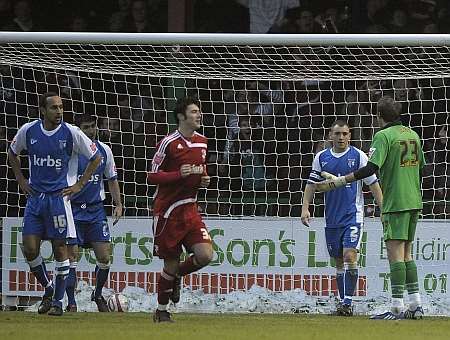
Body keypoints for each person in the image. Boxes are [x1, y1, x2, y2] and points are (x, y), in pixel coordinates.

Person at [319, 96, 426, 320]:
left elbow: (371, 169)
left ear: (379, 116)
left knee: (395, 254)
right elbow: (422, 167)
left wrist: (342, 180)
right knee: (407, 253)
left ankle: (397, 308)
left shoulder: (383, 135)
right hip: (414, 200)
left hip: (395, 202)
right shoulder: (413, 134)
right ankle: (415, 304)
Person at [8, 92, 102, 316]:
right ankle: (49, 289)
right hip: (35, 200)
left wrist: (79, 184)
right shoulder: (28, 130)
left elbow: (96, 157)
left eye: (61, 107)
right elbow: (12, 153)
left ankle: (58, 302)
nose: (59, 111)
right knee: (30, 249)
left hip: (58, 200)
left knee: (61, 249)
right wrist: (21, 179)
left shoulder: (71, 132)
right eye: (54, 108)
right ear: (43, 110)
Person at [301, 120, 383, 316]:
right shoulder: (321, 157)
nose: (341, 138)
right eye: (337, 134)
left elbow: (373, 183)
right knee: (338, 261)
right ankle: (342, 300)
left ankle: (348, 302)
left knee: (349, 256)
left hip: (353, 215)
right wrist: (305, 208)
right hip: (332, 218)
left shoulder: (359, 156)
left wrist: (384, 210)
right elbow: (311, 184)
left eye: (345, 134)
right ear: (330, 136)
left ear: (350, 135)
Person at [148, 96, 213, 322]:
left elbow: (200, 169)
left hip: (191, 209)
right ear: (181, 116)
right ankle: (161, 310)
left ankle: (175, 276)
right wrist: (178, 174)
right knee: (170, 262)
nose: (199, 115)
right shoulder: (168, 143)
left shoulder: (203, 141)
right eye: (194, 112)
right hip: (168, 212)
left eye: (199, 111)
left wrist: (203, 178)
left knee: (205, 255)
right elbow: (152, 175)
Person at [65, 114, 123, 312]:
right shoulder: (70, 151)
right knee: (71, 258)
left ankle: (97, 295)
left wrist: (118, 204)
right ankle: (71, 302)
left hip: (95, 210)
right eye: (86, 128)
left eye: (93, 127)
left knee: (105, 257)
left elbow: (112, 178)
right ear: (78, 131)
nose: (90, 131)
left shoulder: (104, 150)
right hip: (72, 210)